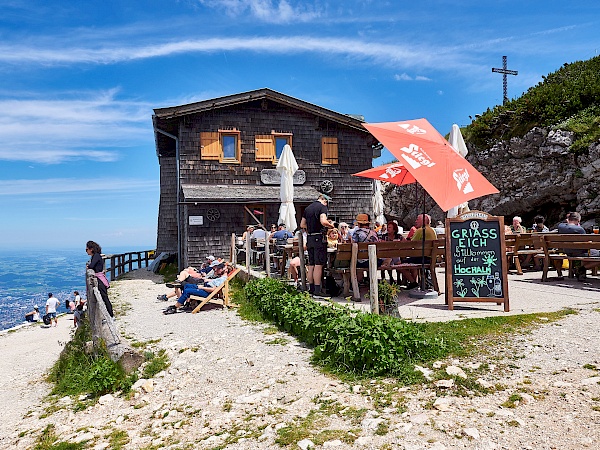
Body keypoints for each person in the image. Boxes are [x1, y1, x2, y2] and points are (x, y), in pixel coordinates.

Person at [300, 193, 334, 298]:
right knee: (319, 264)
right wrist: (331, 225)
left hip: (310, 237)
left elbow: (302, 225)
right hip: (319, 237)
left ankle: (311, 288)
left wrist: (311, 227)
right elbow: (323, 221)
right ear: (325, 201)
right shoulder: (322, 207)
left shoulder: (308, 208)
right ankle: (318, 290)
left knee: (311, 264)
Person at [164, 263, 228, 313]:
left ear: (224, 270)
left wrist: (201, 287)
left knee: (187, 291)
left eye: (219, 269)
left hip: (206, 292)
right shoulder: (221, 278)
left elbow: (213, 289)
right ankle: (185, 303)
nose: (216, 270)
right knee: (186, 286)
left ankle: (175, 307)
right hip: (205, 288)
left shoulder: (222, 279)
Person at [558, 211, 600, 281]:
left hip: (567, 251)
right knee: (594, 253)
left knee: (588, 252)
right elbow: (586, 243)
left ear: (568, 219)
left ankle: (581, 273)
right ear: (578, 220)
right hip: (581, 252)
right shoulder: (580, 229)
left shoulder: (561, 226)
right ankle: (581, 269)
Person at [404, 214, 438, 289]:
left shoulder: (420, 230)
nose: (416, 221)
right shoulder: (433, 230)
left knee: (402, 264)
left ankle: (413, 282)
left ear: (423, 221)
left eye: (417, 219)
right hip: (431, 258)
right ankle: (418, 282)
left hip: (423, 258)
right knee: (411, 260)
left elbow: (411, 244)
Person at [86, 240, 114, 317]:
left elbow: (92, 266)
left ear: (91, 249)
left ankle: (110, 315)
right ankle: (108, 315)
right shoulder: (97, 256)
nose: (86, 251)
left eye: (87, 249)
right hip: (100, 278)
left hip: (99, 279)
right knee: (103, 297)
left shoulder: (96, 256)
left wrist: (88, 266)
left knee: (104, 298)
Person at [351, 213, 380, 284]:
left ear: (359, 224)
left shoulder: (357, 233)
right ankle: (368, 280)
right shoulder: (373, 233)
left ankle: (358, 281)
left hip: (362, 261)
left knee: (355, 261)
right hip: (375, 260)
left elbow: (353, 244)